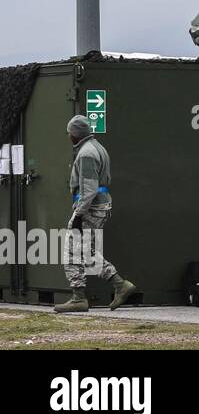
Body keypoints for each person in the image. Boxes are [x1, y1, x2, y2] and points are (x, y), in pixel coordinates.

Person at [54, 116, 138, 313]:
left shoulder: (86, 154)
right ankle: (119, 284)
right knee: (84, 250)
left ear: (75, 135)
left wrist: (78, 214)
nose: (68, 137)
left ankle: (79, 297)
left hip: (90, 208)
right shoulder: (96, 147)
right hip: (99, 205)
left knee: (72, 251)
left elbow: (89, 189)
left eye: (69, 133)